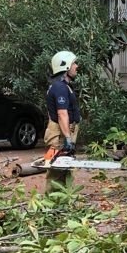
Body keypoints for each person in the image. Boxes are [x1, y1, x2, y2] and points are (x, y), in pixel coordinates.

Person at [44, 50, 81, 186]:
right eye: (73, 63)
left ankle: (64, 201)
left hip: (63, 133)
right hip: (59, 135)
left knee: (65, 169)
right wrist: (67, 138)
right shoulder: (60, 87)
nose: (76, 66)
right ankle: (52, 202)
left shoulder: (62, 86)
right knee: (55, 171)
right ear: (65, 66)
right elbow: (62, 114)